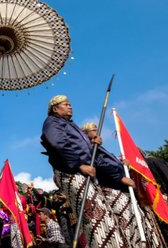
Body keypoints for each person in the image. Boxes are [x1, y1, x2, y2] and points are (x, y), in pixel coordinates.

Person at [40, 95, 126, 247]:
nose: (70, 106)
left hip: (86, 174)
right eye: (66, 104)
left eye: (70, 104)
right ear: (55, 108)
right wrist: (79, 164)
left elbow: (84, 149)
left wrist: (92, 144)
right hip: (71, 172)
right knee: (93, 217)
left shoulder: (71, 125)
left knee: (104, 216)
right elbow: (60, 144)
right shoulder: (52, 122)